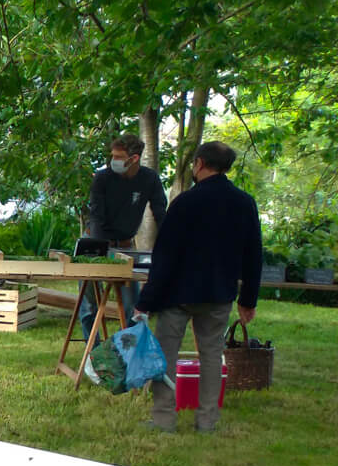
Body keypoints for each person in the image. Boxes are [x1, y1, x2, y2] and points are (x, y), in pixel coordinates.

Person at [134, 141, 262, 433]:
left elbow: (165, 257)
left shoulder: (185, 202)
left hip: (178, 294)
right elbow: (253, 253)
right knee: (211, 357)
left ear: (201, 163)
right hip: (219, 294)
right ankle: (207, 421)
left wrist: (147, 300)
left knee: (166, 356)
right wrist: (248, 299)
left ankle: (164, 418)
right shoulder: (245, 203)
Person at [78, 133, 168, 336]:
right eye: (113, 156)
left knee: (132, 306)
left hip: (126, 244)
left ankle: (126, 353)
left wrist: (166, 245)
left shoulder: (149, 178)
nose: (113, 161)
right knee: (89, 304)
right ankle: (93, 354)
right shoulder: (103, 178)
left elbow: (161, 213)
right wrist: (104, 258)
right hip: (95, 241)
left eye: (118, 157)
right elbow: (96, 216)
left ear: (133, 158)